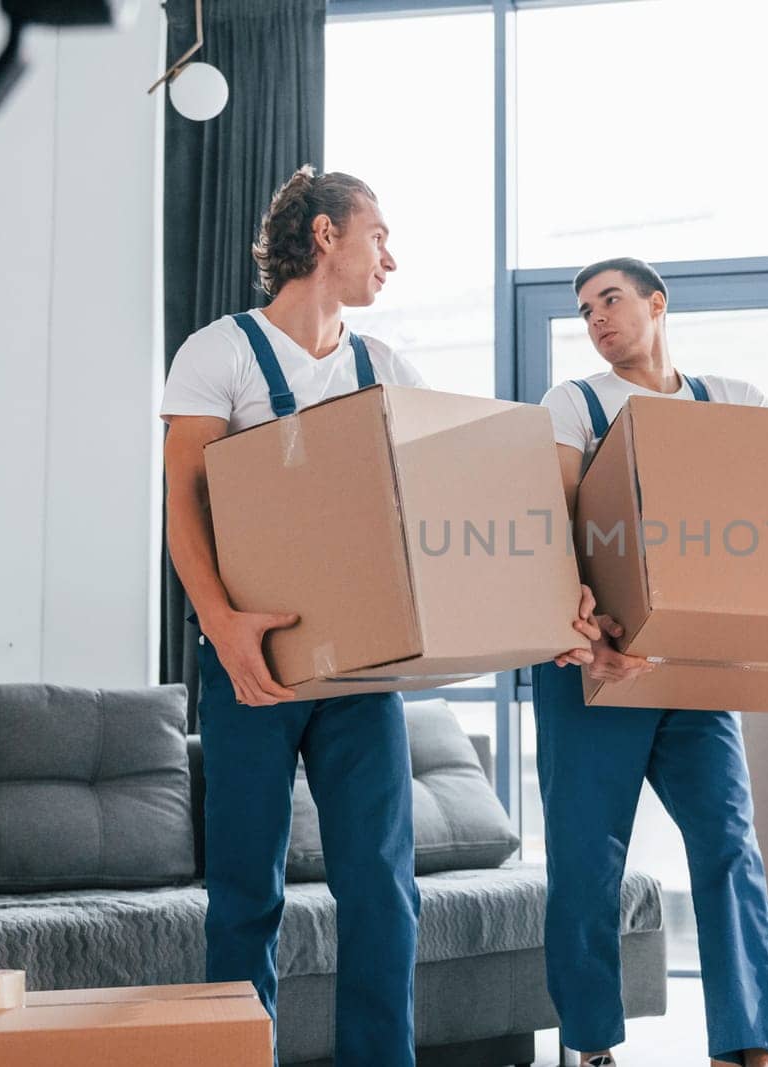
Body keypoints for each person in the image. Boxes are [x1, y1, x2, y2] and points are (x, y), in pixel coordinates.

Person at [160, 166, 599, 1066]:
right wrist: (221, 624)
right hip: (255, 661)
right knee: (246, 891)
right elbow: (182, 500)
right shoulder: (221, 352)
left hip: (364, 673)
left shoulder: (385, 368)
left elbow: (447, 506)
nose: (389, 259)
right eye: (380, 237)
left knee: (382, 888)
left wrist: (552, 598)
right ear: (325, 237)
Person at [536, 257, 768, 1067]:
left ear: (657, 303)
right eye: (585, 310)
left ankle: (750, 1043)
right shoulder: (574, 403)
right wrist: (587, 627)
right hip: (596, 667)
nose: (597, 320)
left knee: (729, 844)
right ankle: (590, 1047)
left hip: (692, 668)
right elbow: (554, 527)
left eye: (611, 300)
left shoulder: (733, 399)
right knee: (588, 859)